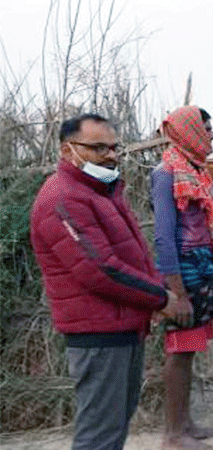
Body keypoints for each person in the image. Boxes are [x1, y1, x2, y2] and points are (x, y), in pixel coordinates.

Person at [30, 113, 177, 450]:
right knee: (99, 435)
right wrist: (161, 298)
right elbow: (100, 270)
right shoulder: (63, 198)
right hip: (98, 334)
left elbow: (130, 256)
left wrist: (150, 297)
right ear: (68, 151)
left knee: (113, 428)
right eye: (98, 148)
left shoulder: (101, 191)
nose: (110, 155)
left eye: (113, 147)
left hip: (122, 325)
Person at [152, 106, 213, 450]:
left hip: (200, 269)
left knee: (191, 348)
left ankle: (186, 424)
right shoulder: (167, 174)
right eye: (206, 129)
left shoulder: (195, 171)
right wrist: (177, 294)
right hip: (184, 274)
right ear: (189, 131)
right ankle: (173, 435)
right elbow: (165, 238)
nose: (211, 134)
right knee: (179, 350)